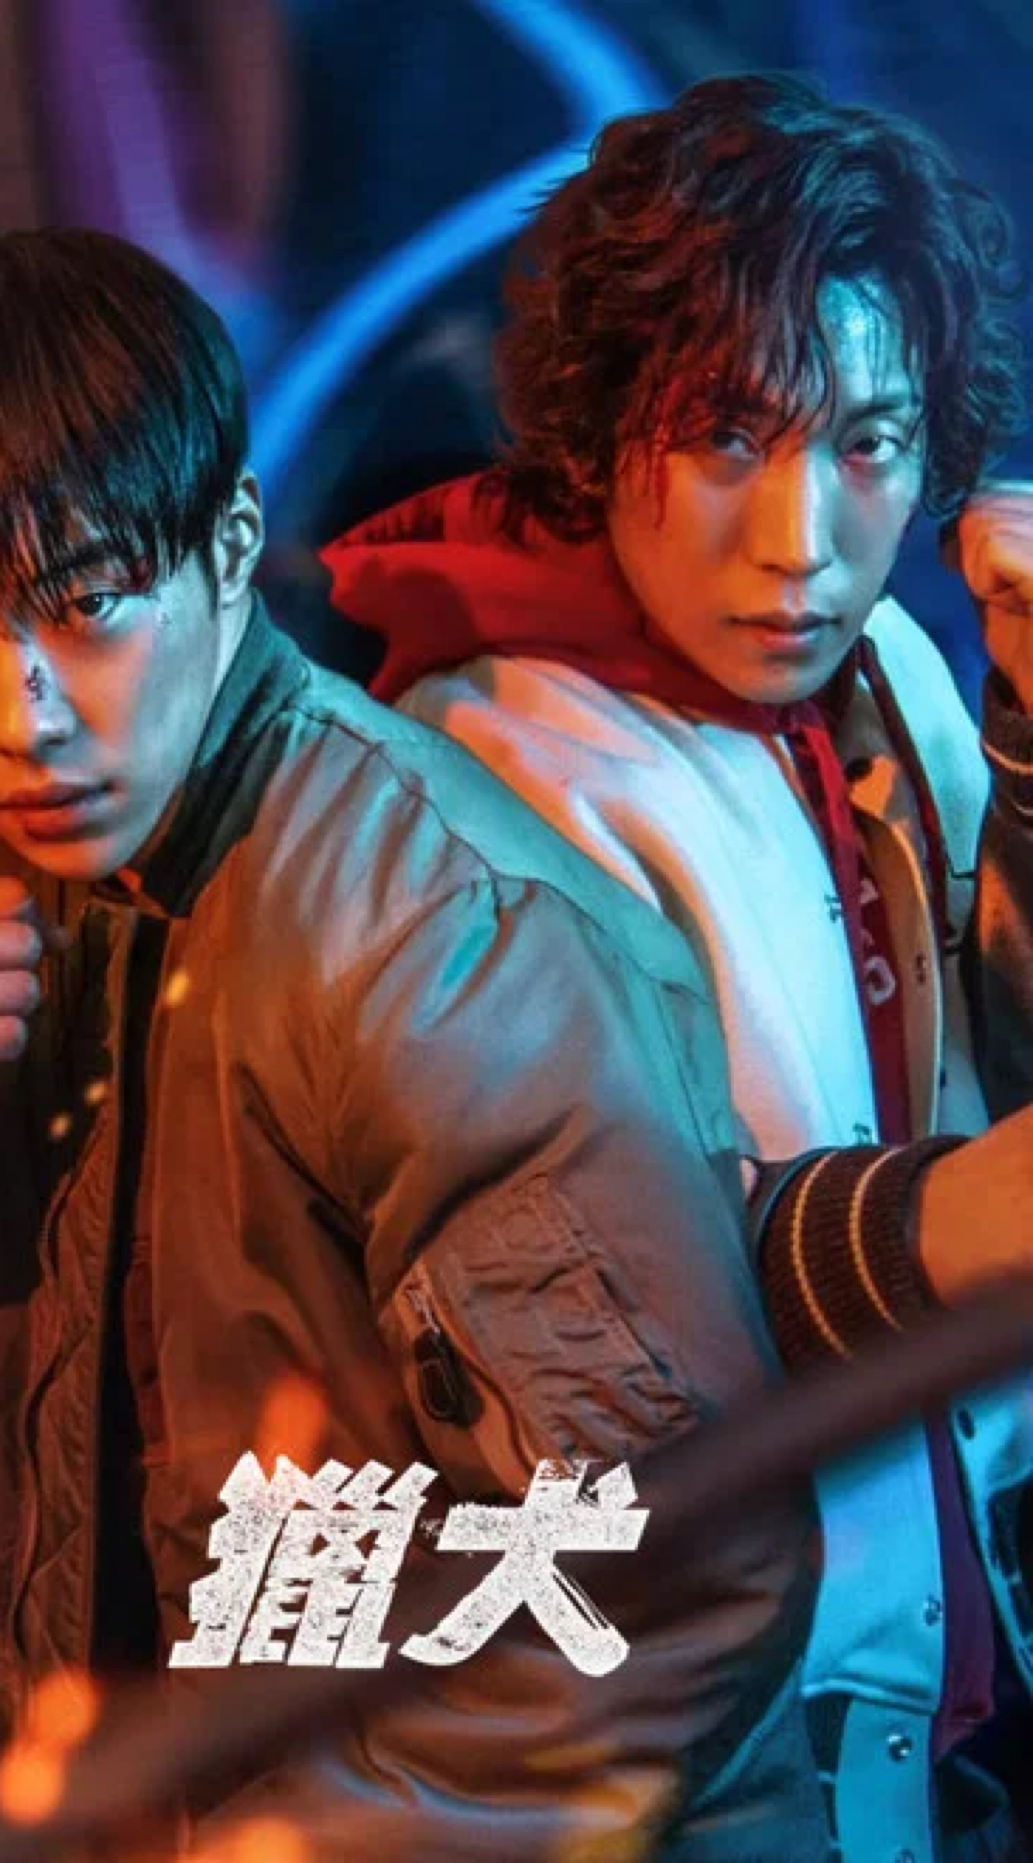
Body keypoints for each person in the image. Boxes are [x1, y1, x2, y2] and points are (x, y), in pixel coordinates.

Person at [321, 72, 1033, 1859]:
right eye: (725, 438)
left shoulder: (888, 668)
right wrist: (970, 1217)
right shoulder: (481, 774)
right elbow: (595, 1319)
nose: (798, 545)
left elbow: (993, 1057)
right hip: (719, 1750)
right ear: (595, 423)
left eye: (866, 444)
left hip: (958, 1691)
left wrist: (1027, 748)